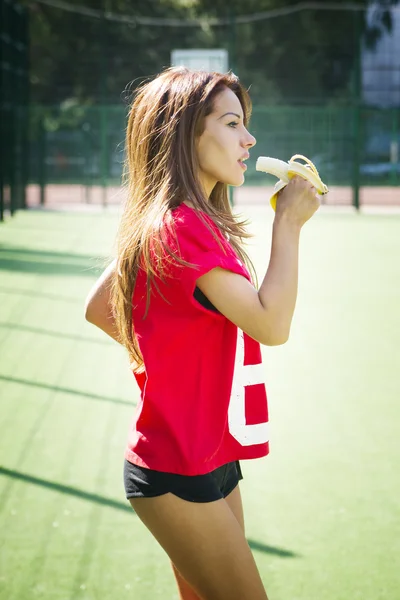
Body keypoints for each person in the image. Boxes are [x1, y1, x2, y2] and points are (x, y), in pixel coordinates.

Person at [85, 66, 320, 600]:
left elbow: (100, 308)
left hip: (212, 456)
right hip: (177, 468)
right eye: (233, 123)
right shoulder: (182, 226)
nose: (250, 139)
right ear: (187, 131)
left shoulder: (180, 219)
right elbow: (271, 324)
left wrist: (172, 361)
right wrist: (288, 225)